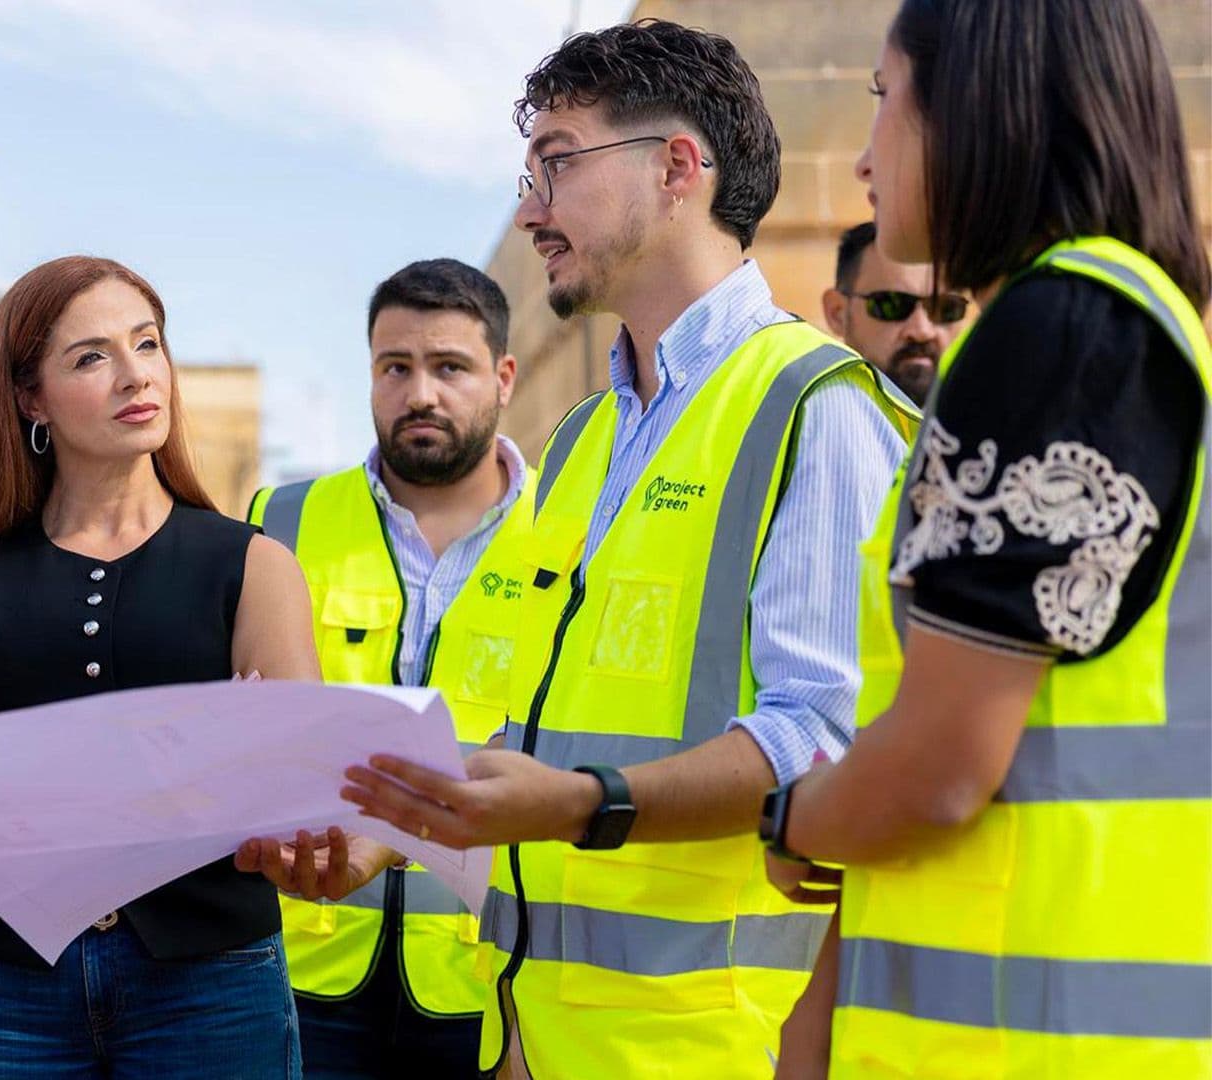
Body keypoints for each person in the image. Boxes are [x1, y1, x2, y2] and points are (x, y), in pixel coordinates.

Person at [339, 20, 921, 1078]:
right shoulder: (579, 444)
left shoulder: (814, 410)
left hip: (712, 1049)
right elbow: (527, 722)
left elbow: (826, 742)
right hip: (532, 1038)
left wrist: (579, 806)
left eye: (557, 163)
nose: (530, 210)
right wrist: (394, 827)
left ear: (677, 168)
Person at [759, 1, 1212, 1076]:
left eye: (885, 102)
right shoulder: (1113, 322)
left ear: (978, 107)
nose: (864, 160)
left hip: (1035, 1040)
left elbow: (940, 774)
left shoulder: (1058, 333)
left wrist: (790, 818)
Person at [0, 255, 320, 1079]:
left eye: (148, 344)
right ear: (30, 398)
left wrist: (30, 779)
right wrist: (196, 760)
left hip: (214, 987)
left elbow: (287, 787)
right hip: (0, 995)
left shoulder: (257, 567)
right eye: (91, 357)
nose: (136, 375)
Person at [246, 258, 528, 1078]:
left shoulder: (569, 533)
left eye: (450, 367)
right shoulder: (281, 519)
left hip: (485, 976)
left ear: (504, 377)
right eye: (395, 367)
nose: (420, 393)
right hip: (303, 970)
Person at [822, 220, 971, 404]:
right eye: (893, 305)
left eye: (946, 308)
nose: (922, 331)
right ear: (838, 313)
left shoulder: (996, 418)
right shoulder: (811, 422)